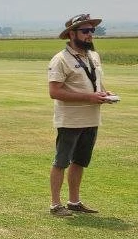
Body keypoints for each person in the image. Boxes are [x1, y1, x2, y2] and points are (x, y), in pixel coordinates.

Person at [47, 13, 114, 217]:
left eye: (92, 30)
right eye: (85, 31)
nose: (90, 35)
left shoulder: (93, 56)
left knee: (80, 162)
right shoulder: (60, 60)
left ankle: (74, 202)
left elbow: (96, 83)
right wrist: (89, 97)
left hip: (91, 119)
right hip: (70, 120)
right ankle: (55, 205)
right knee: (61, 162)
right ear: (71, 34)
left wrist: (105, 93)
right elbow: (54, 92)